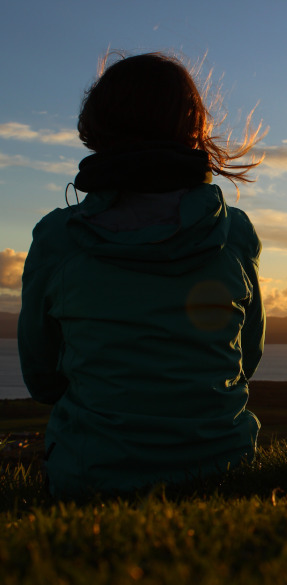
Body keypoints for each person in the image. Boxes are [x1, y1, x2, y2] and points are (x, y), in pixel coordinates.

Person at [17, 52, 266, 499]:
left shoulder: (59, 238)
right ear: (193, 128)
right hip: (225, 472)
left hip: (90, 479)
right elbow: (246, 359)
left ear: (97, 128)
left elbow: (42, 380)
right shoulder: (234, 233)